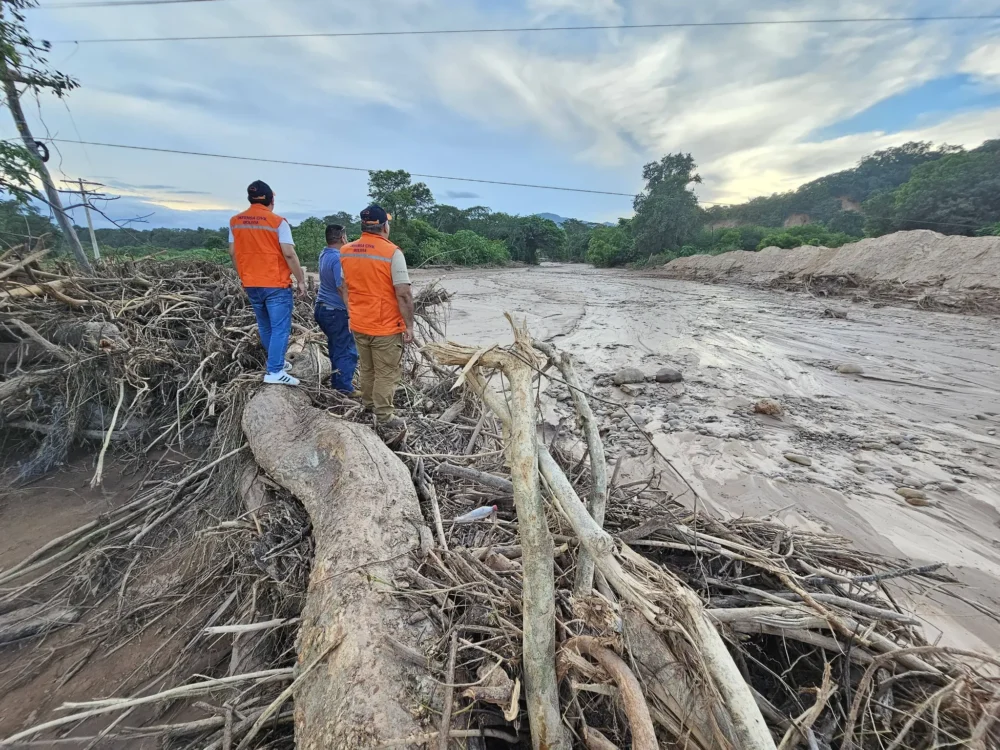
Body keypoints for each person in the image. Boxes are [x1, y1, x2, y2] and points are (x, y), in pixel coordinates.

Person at [339, 204, 414, 428]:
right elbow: (404, 294)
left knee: (368, 368)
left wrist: (353, 312)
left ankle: (368, 405)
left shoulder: (346, 250)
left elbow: (344, 287)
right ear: (384, 226)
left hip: (359, 323)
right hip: (385, 327)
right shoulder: (392, 252)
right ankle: (384, 417)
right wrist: (409, 326)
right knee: (386, 373)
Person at [228, 180, 307, 386]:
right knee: (280, 328)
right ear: (271, 199)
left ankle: (276, 362)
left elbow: (233, 252)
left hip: (251, 283)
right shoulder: (278, 222)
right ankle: (274, 371)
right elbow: (289, 253)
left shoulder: (235, 221)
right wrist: (300, 280)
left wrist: (244, 275)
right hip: (275, 283)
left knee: (265, 325)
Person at [314, 223, 358, 393]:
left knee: (336, 346)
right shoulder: (339, 257)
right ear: (342, 238)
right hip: (335, 311)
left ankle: (337, 382)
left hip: (322, 308)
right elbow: (341, 286)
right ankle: (344, 388)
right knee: (347, 350)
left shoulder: (324, 254)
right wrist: (350, 311)